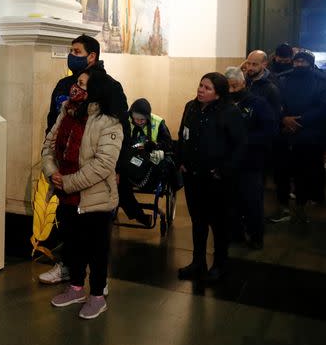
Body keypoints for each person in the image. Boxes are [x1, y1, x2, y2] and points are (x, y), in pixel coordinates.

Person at [39, 34, 127, 285]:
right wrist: (51, 166)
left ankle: (98, 283)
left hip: (92, 173)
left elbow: (120, 130)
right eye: (70, 50)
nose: (71, 55)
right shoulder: (64, 85)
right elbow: (52, 123)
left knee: (94, 235)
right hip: (63, 169)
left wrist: (118, 168)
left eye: (76, 51)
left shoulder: (110, 87)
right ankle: (69, 269)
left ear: (92, 56)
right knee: (69, 228)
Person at [176, 73, 246, 282]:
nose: (200, 90)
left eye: (207, 88)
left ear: (218, 94)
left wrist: (223, 170)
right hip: (193, 176)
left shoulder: (229, 112)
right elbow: (182, 135)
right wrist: (181, 160)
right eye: (200, 85)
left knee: (219, 224)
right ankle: (198, 262)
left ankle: (220, 264)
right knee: (198, 222)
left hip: (216, 179)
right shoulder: (191, 107)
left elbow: (240, 146)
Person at [270, 49, 326, 223]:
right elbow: (274, 103)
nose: (299, 64)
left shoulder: (323, 81)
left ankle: (300, 208)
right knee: (282, 174)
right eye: (297, 61)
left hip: (309, 136)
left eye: (303, 62)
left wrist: (298, 121)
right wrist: (283, 119)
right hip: (285, 134)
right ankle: (284, 207)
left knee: (304, 174)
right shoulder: (282, 79)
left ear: (311, 63)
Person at [224, 67, 278, 249]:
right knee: (230, 201)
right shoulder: (223, 104)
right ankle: (235, 233)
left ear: (243, 84)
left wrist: (244, 141)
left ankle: (256, 236)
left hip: (251, 161)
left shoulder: (258, 104)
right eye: (228, 87)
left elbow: (269, 130)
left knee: (252, 202)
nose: (231, 91)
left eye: (235, 86)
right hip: (229, 162)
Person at [118, 98, 173, 226]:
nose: (139, 122)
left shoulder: (158, 122)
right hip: (129, 163)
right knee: (119, 184)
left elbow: (168, 145)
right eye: (136, 119)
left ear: (148, 117)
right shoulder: (126, 121)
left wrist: (154, 145)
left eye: (142, 120)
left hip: (150, 164)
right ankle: (139, 215)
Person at [243, 49, 282, 118]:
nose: (250, 67)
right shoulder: (244, 80)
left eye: (254, 64)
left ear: (264, 64)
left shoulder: (272, 85)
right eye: (248, 63)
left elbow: (275, 114)